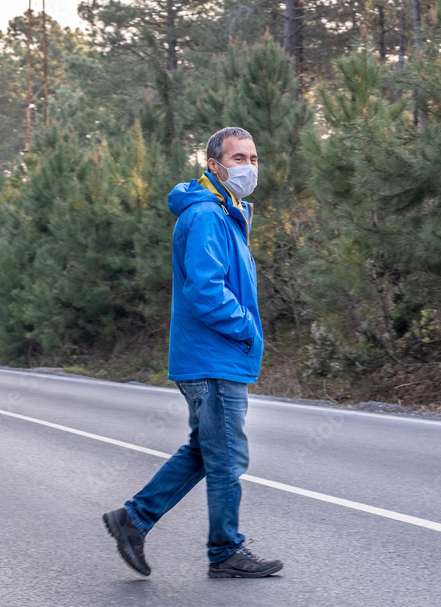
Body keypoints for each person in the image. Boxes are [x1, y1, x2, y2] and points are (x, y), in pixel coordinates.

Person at [103, 126, 282, 579]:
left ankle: (133, 519)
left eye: (253, 158)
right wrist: (246, 330)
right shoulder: (207, 216)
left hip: (212, 356)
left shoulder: (226, 213)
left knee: (206, 451)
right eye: (238, 159)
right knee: (227, 459)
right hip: (213, 357)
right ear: (214, 166)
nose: (248, 167)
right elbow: (205, 291)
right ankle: (225, 552)